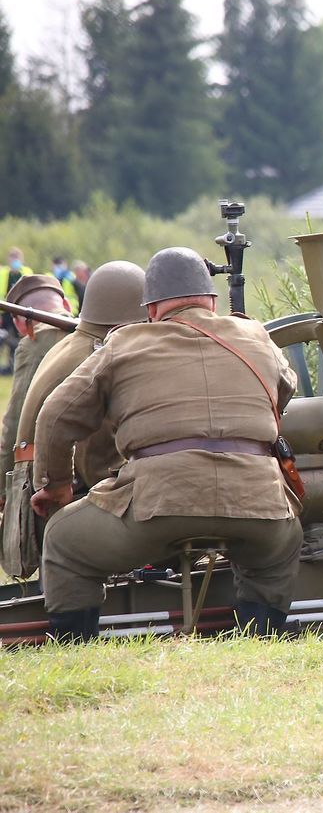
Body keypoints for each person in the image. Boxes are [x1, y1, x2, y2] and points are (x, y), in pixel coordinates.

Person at [31, 247, 303, 641]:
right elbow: (286, 389)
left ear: (152, 309)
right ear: (211, 301)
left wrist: (56, 485)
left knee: (63, 541)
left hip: (158, 506)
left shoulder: (124, 343)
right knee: (279, 548)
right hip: (260, 506)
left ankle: (74, 648)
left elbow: (55, 416)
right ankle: (261, 639)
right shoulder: (255, 335)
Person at [0, 264, 148, 578]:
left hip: (44, 488)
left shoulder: (64, 345)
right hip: (63, 495)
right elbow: (94, 459)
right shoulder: (99, 354)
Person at [0, 276, 73, 483]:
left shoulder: (34, 344)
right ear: (66, 304)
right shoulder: (91, 331)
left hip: (52, 471)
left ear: (18, 323)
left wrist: (3, 484)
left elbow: (17, 420)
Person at [1, 248, 35, 374]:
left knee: (21, 340)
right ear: (8, 259)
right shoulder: (3, 273)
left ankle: (19, 365)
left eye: (17, 258)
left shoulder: (27, 272)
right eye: (12, 257)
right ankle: (8, 366)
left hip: (22, 312)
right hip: (5, 312)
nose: (15, 261)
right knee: (5, 339)